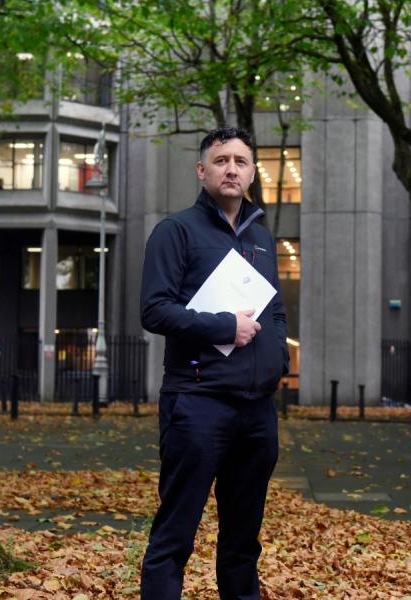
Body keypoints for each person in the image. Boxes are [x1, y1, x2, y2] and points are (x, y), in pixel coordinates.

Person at [138, 125, 288, 600]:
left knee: (244, 541)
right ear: (202, 170)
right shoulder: (175, 231)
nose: (231, 169)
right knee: (175, 536)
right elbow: (154, 309)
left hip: (257, 410)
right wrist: (225, 327)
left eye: (241, 162)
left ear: (251, 173)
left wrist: (277, 360)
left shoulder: (262, 239)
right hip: (197, 402)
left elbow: (275, 310)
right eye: (221, 161)